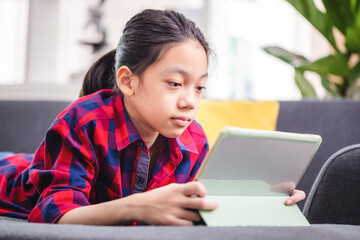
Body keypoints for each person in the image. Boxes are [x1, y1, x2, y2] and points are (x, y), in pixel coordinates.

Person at [0, 9, 305, 226]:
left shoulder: (194, 139)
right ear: (128, 81)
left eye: (199, 87)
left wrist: (257, 200)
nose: (190, 101)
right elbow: (55, 215)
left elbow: (198, 208)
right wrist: (141, 207)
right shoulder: (84, 121)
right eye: (175, 83)